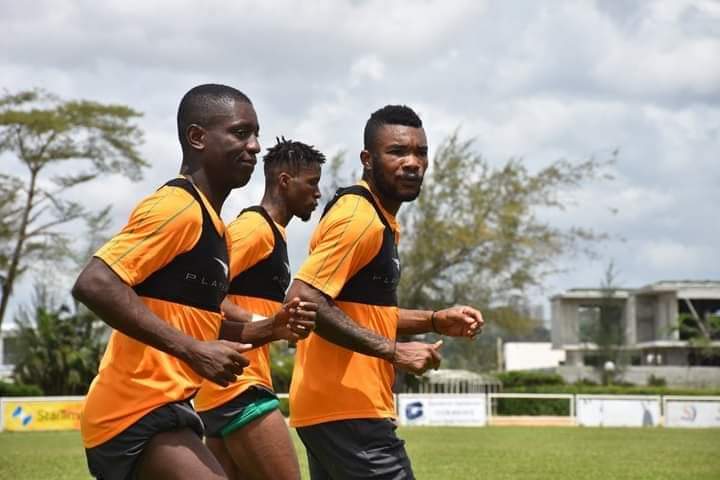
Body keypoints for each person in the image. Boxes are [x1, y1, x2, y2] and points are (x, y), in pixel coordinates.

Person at [72, 84, 316, 480]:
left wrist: (271, 328)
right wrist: (193, 351)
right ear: (197, 137)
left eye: (256, 134)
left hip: (170, 408)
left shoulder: (214, 225)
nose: (255, 146)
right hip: (131, 413)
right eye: (241, 133)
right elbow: (95, 283)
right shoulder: (178, 207)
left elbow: (199, 324)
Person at [286, 105, 485, 479]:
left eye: (420, 153)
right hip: (349, 409)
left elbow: (361, 314)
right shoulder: (358, 218)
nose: (412, 163)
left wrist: (433, 320)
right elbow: (303, 299)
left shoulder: (380, 220)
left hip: (338, 408)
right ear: (367, 159)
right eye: (397, 152)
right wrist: (393, 351)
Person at [194, 138, 325, 480]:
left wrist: (281, 325)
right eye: (312, 183)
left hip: (225, 385)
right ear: (285, 181)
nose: (318, 193)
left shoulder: (274, 233)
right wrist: (264, 322)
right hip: (239, 384)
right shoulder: (254, 229)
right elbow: (202, 292)